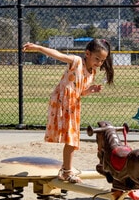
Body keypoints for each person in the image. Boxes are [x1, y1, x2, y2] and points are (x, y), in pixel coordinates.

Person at [22, 39, 114, 184]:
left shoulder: (92, 72)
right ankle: (66, 171)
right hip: (62, 102)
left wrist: (90, 90)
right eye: (97, 59)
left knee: (72, 138)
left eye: (102, 61)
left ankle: (66, 169)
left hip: (73, 104)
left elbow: (81, 91)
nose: (99, 63)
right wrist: (38, 47)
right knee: (72, 138)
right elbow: (58, 55)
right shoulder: (76, 61)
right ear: (87, 53)